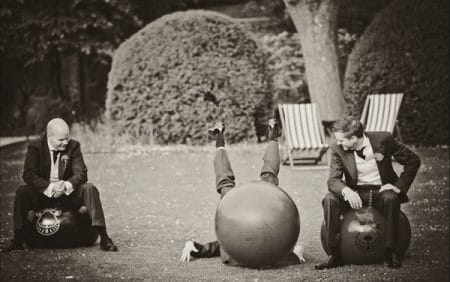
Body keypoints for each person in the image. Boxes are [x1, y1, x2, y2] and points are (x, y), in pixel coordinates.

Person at [180, 119, 305, 266]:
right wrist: (297, 254)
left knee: (234, 183)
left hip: (238, 210)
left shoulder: (237, 247)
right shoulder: (274, 252)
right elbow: (221, 244)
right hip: (256, 211)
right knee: (265, 181)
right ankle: (271, 135)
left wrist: (194, 246)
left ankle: (221, 135)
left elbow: (218, 245)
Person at [315, 117, 420, 270]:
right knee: (329, 199)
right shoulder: (337, 149)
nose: (338, 143)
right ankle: (334, 254)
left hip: (380, 190)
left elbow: (412, 160)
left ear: (353, 138)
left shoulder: (384, 139)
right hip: (355, 191)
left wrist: (398, 186)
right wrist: (346, 191)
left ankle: (391, 252)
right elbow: (333, 181)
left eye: (341, 140)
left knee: (391, 198)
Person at [3, 118, 118, 252]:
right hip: (43, 194)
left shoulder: (73, 146)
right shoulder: (35, 147)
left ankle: (104, 238)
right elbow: (29, 175)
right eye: (61, 140)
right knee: (22, 192)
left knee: (89, 188)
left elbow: (81, 173)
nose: (65, 142)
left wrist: (66, 185)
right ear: (49, 136)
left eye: (67, 138)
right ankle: (17, 240)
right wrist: (50, 187)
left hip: (67, 195)